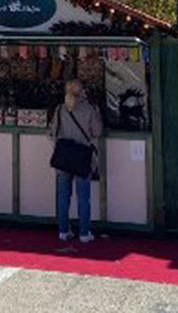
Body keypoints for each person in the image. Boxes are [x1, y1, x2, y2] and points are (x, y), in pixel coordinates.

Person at [49, 79, 103, 243]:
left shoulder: (60, 109)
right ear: (82, 91)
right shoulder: (90, 109)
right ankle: (85, 232)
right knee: (83, 197)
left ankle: (63, 230)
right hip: (82, 157)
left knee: (63, 196)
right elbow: (97, 131)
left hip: (64, 156)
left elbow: (53, 131)